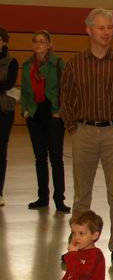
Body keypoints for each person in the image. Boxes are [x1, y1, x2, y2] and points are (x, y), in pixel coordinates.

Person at [60, 9, 113, 264]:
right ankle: (77, 245)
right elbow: (66, 98)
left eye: (110, 27)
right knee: (82, 195)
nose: (106, 32)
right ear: (89, 30)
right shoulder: (75, 64)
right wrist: (73, 128)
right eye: (101, 27)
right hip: (83, 132)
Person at [20, 30, 69, 212]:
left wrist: (61, 110)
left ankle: (59, 199)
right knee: (40, 158)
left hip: (53, 116)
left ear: (49, 44)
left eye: (42, 41)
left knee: (56, 159)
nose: (38, 44)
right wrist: (25, 109)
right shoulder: (27, 65)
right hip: (34, 115)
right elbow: (25, 90)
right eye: (35, 41)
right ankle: (43, 197)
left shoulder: (58, 63)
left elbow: (67, 88)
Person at [0, 26, 19, 208]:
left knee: (1, 151)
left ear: (4, 41)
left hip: (4, 111)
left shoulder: (11, 61)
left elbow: (8, 84)